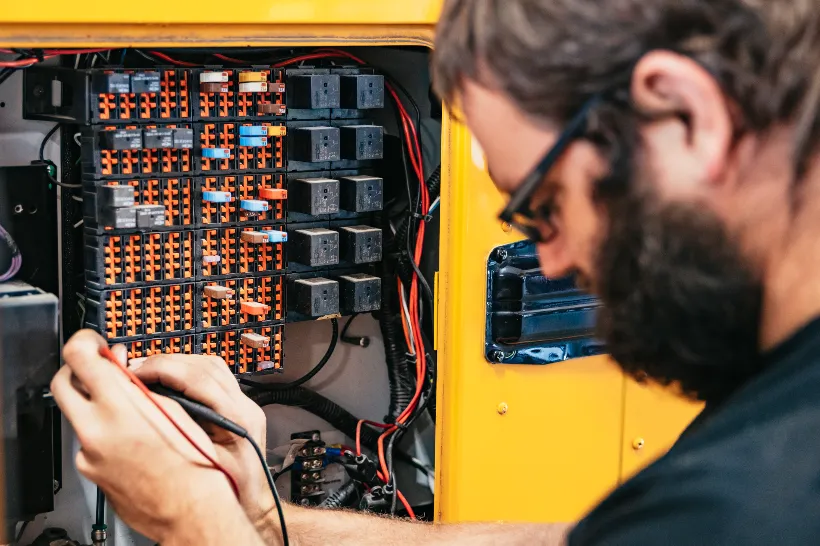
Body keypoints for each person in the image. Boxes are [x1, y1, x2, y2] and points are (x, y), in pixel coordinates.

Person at [52, 0, 820, 543]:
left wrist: (196, 525)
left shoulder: (759, 494)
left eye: (545, 204)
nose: (548, 261)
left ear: (685, 116)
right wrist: (262, 521)